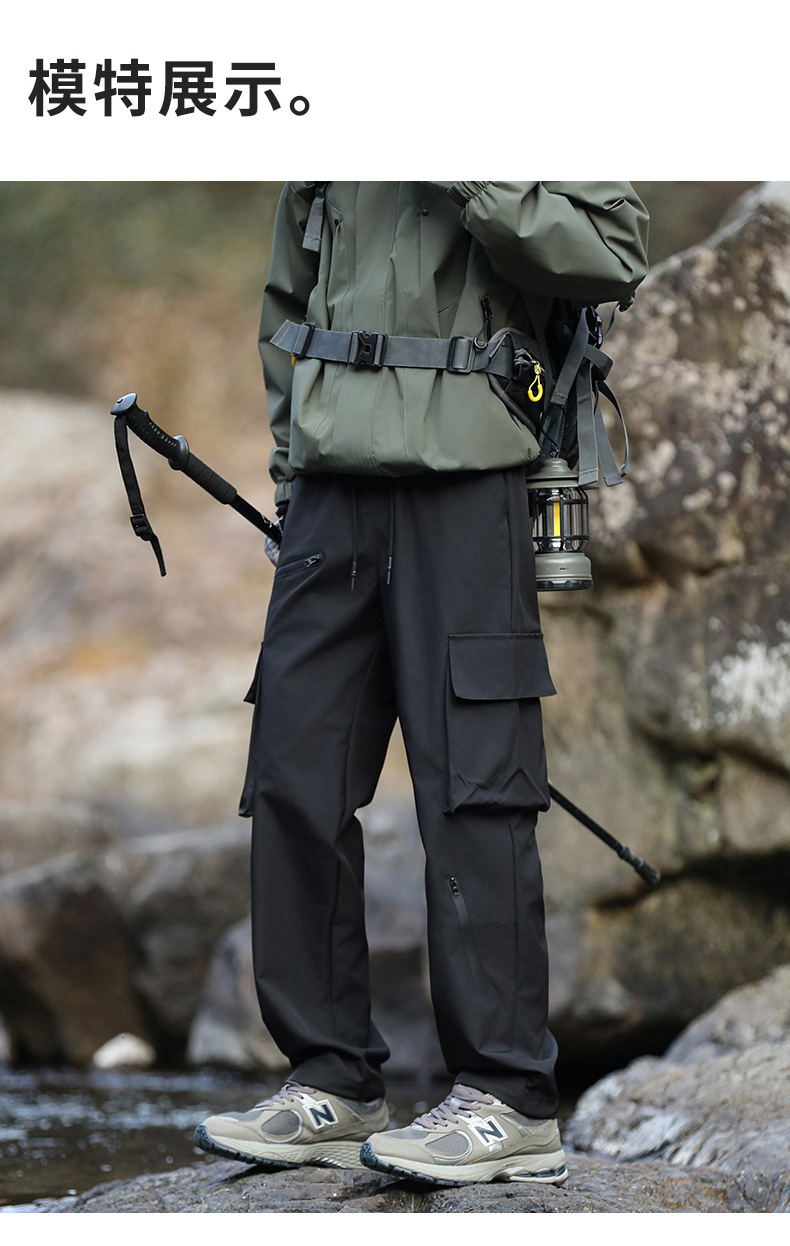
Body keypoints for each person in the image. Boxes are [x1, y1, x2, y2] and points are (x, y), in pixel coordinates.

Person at [196, 182, 649, 1187]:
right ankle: (329, 1080)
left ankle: (508, 1097)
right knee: (292, 773)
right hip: (328, 495)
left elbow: (612, 254)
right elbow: (287, 302)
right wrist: (290, 470)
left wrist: (474, 175)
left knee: (475, 788)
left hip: (468, 482)